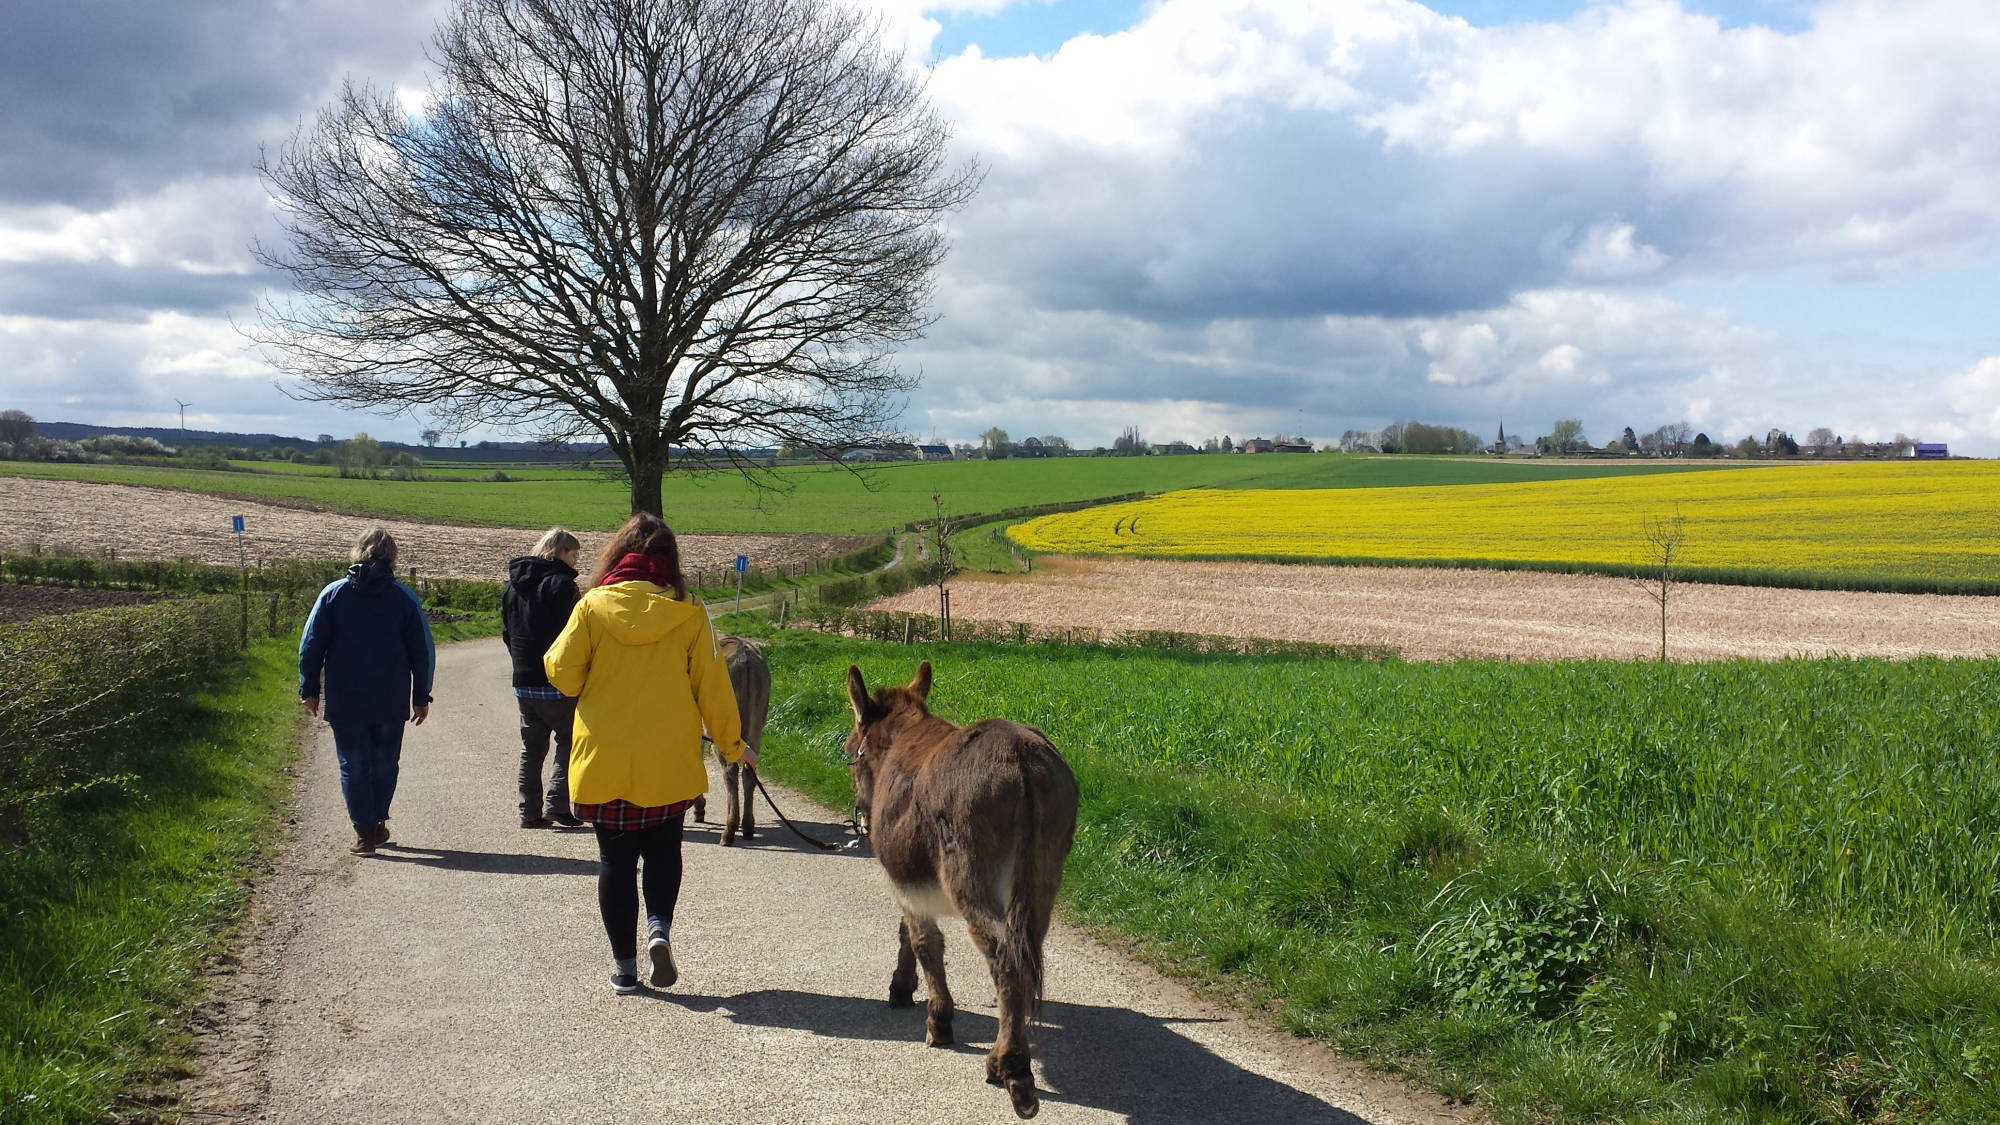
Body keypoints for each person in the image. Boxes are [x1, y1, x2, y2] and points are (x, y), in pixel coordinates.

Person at [543, 512, 756, 994]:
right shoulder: (690, 610)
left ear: (618, 555)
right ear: (669, 561)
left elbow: (561, 672)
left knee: (615, 863)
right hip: (668, 760)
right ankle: (659, 928)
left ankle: (624, 968)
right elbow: (713, 687)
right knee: (664, 852)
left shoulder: (592, 606)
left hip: (605, 759)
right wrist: (734, 745)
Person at [299, 528, 436, 857]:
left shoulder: (333, 594)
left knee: (354, 763)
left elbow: (310, 645)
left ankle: (365, 833)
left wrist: (310, 687)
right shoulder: (404, 598)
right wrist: (421, 695)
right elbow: (423, 650)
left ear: (358, 552)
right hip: (389, 697)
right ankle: (374, 822)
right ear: (392, 557)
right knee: (386, 762)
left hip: (346, 697)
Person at [502, 527, 584, 829]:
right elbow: (574, 635)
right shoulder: (561, 586)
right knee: (568, 740)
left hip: (523, 680)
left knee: (531, 747)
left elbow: (507, 633)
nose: (576, 561)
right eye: (574, 554)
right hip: (557, 679)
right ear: (560, 552)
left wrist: (521, 662)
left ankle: (529, 811)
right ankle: (557, 806)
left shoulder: (512, 587)